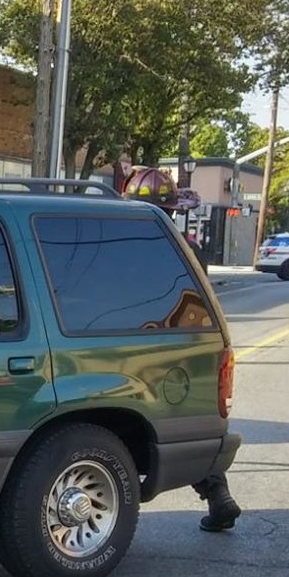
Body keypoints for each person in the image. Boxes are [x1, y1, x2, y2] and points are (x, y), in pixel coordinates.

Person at [120, 163, 242, 533]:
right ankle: (218, 494)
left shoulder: (114, 244)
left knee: (124, 427)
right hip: (182, 346)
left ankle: (112, 502)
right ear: (173, 209)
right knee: (189, 423)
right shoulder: (186, 250)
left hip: (126, 348)